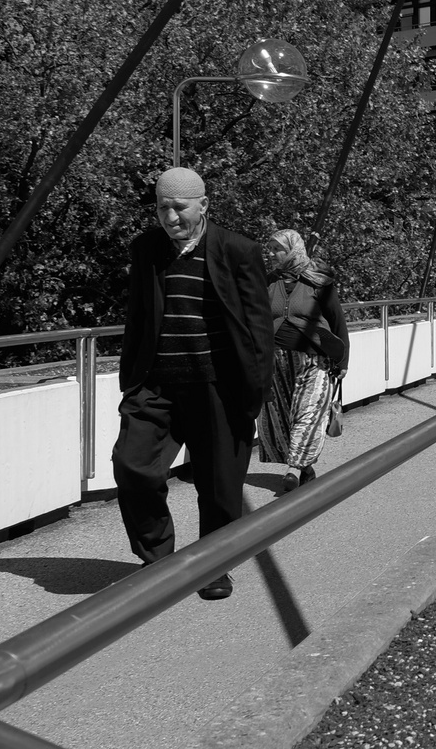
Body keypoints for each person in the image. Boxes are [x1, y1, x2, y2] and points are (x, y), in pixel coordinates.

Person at [113, 168, 274, 600]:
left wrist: (254, 394)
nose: (170, 216)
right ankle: (158, 560)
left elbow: (258, 329)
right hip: (157, 385)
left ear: (203, 205)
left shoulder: (238, 251)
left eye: (178, 207)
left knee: (220, 485)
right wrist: (131, 380)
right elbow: (138, 318)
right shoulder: (146, 249)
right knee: (132, 466)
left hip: (218, 387)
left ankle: (214, 566)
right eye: (162, 207)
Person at [257, 229, 350, 492]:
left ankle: (294, 469)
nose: (272, 254)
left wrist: (343, 362)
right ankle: (305, 468)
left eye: (278, 249)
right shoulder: (268, 282)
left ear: (293, 249)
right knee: (283, 417)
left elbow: (338, 323)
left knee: (308, 414)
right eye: (271, 249)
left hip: (314, 361)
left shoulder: (319, 282)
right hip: (275, 361)